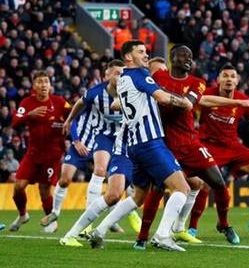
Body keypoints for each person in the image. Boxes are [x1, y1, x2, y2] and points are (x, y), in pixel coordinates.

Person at [134, 47, 249, 249]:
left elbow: (187, 104)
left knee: (219, 184)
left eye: (191, 56)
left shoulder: (197, 83)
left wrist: (164, 96)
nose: (189, 59)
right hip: (165, 147)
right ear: (172, 58)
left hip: (190, 145)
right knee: (157, 189)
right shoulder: (158, 76)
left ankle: (223, 224)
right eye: (183, 55)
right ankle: (142, 237)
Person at [85, 40, 194, 251]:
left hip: (133, 146)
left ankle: (100, 229)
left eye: (146, 51)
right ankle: (163, 235)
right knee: (182, 188)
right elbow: (162, 98)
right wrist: (184, 102)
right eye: (141, 51)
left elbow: (119, 104)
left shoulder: (123, 78)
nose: (146, 55)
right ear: (128, 56)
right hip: (150, 142)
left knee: (138, 196)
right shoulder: (140, 75)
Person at [42, 60, 140, 234]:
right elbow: (79, 104)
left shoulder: (132, 90)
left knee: (122, 182)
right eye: (116, 73)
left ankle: (121, 213)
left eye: (122, 73)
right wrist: (70, 120)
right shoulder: (95, 93)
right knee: (98, 171)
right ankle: (84, 222)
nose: (120, 76)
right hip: (102, 136)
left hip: (123, 138)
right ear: (107, 76)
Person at [189, 64, 249, 238]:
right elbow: (196, 104)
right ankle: (192, 228)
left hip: (232, 147)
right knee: (204, 184)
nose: (229, 79)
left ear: (237, 81)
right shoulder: (208, 94)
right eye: (225, 76)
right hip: (209, 146)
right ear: (218, 80)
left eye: (233, 76)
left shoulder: (242, 99)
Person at [9, 70, 71, 232]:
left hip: (52, 154)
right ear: (33, 85)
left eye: (46, 81)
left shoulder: (59, 102)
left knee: (44, 190)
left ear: (50, 85)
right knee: (18, 186)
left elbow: (74, 114)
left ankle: (50, 219)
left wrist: (70, 128)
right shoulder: (27, 102)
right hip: (32, 154)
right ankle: (23, 214)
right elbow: (15, 122)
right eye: (39, 82)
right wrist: (29, 115)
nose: (43, 85)